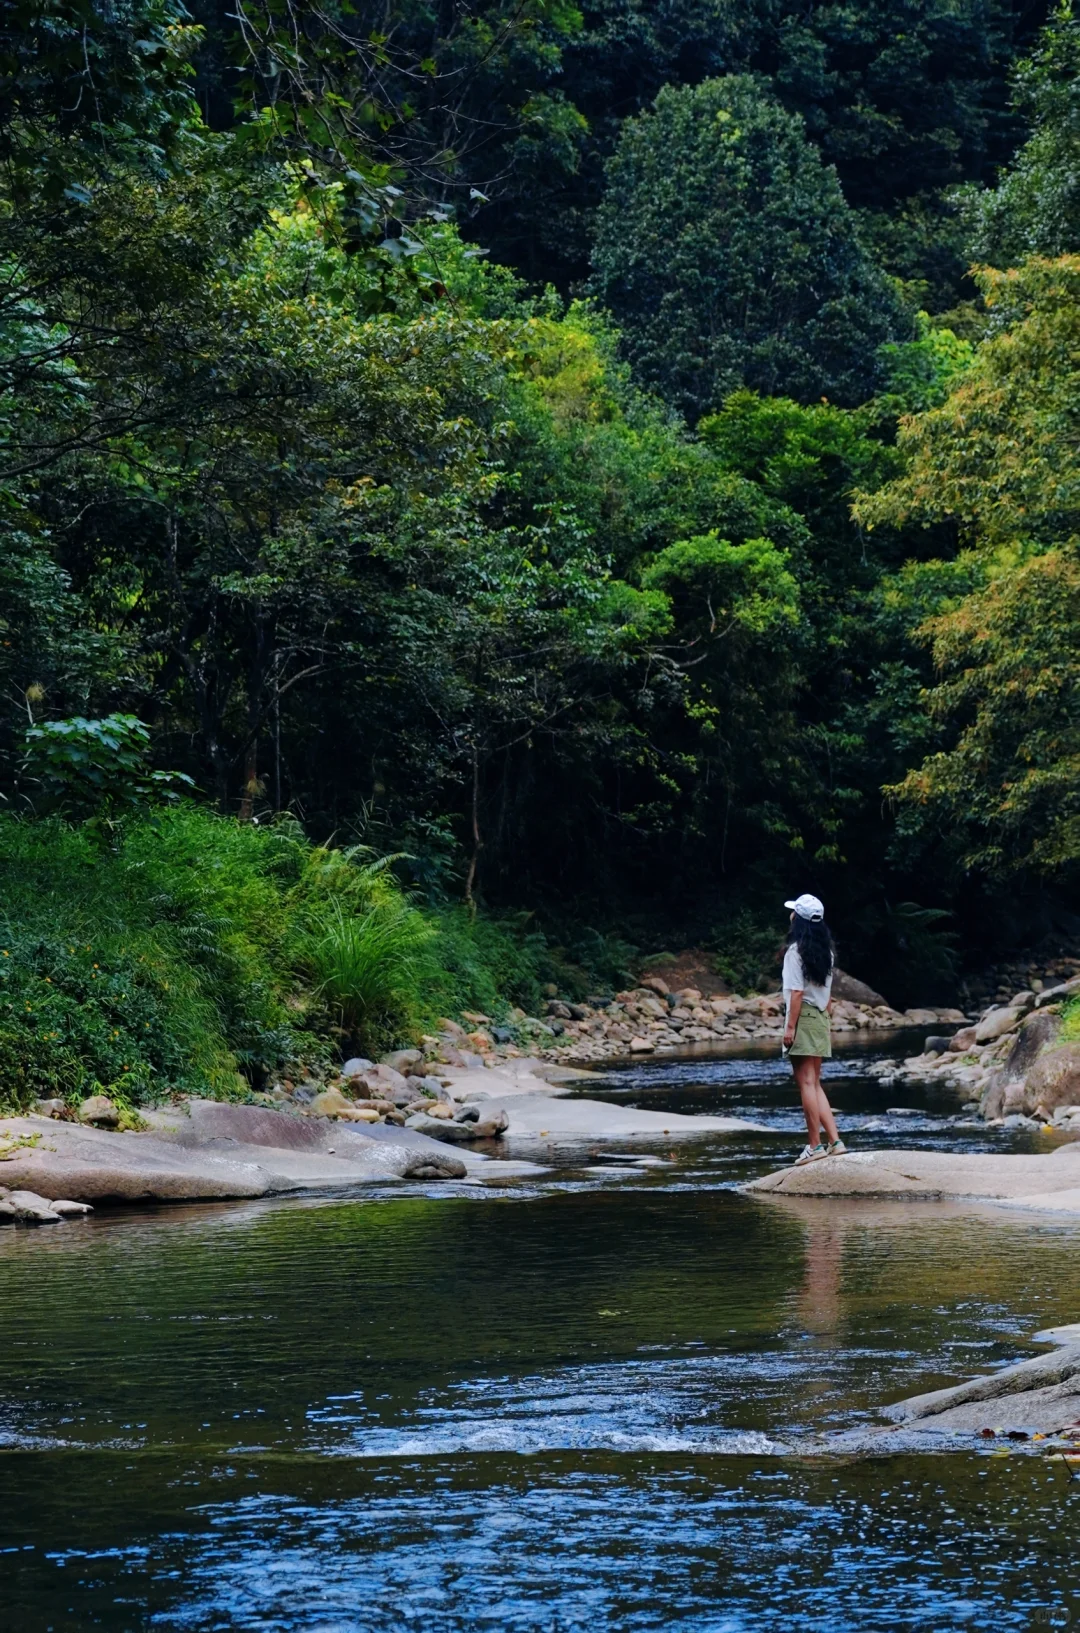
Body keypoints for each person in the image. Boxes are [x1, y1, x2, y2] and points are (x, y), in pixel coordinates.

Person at [781, 893, 846, 1166]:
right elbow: (828, 996)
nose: (790, 915)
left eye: (794, 912)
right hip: (820, 1017)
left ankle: (814, 1146)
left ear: (800, 920)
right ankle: (836, 1141)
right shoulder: (827, 953)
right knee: (815, 1082)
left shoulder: (795, 952)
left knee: (806, 1083)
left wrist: (790, 1028)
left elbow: (796, 993)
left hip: (803, 1017)